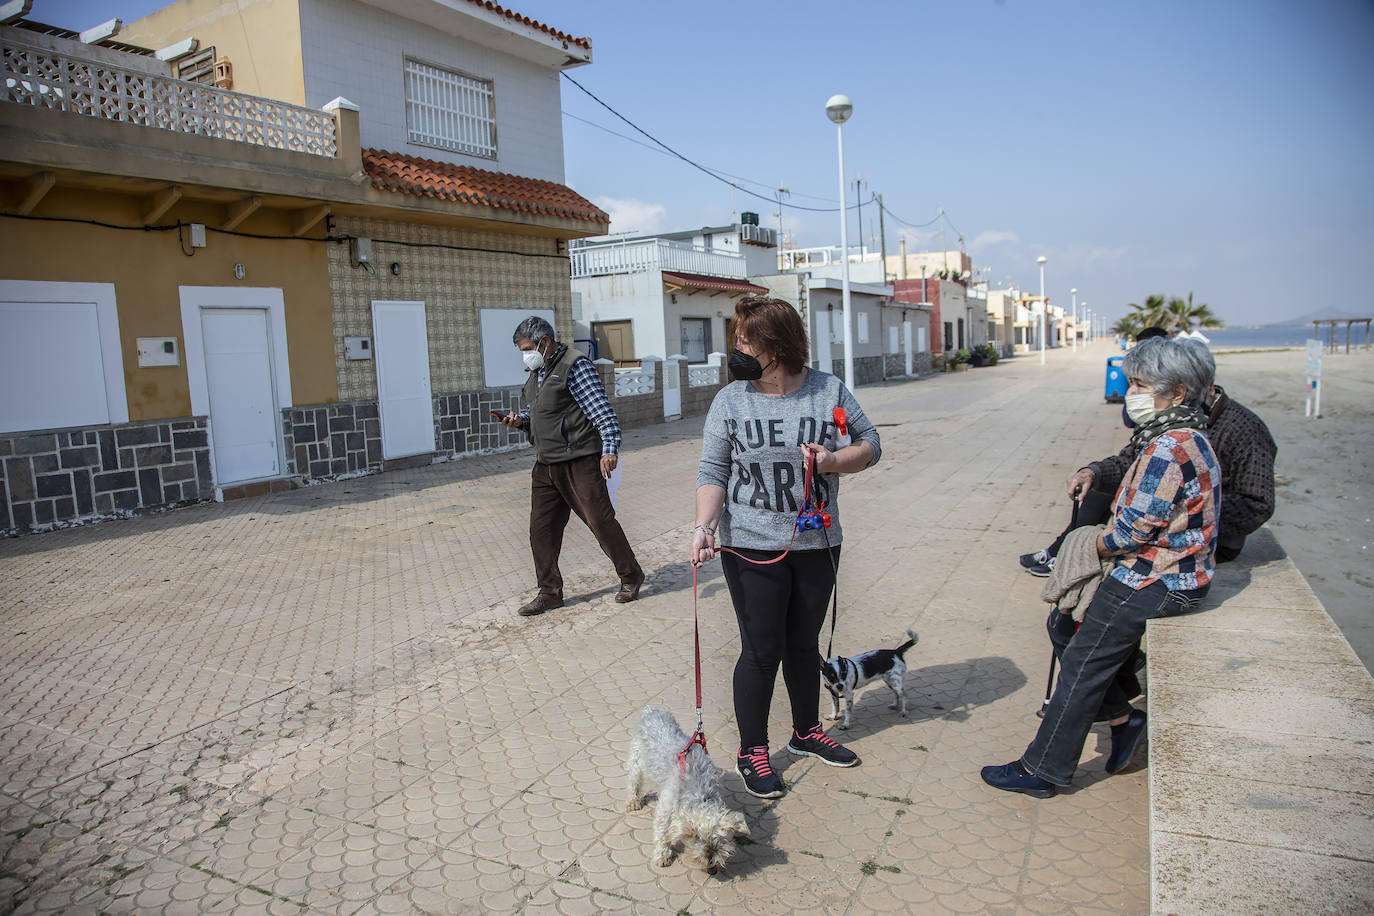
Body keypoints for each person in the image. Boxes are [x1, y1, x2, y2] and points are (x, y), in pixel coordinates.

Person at [982, 337, 1221, 797]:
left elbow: (1130, 536)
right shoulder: (1185, 435)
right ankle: (1123, 717)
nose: (1131, 391)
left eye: (1140, 384)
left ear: (1175, 393)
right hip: (1173, 571)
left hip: (1158, 576)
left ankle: (1043, 770)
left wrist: (1083, 543)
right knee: (1064, 625)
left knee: (1083, 662)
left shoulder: (1170, 447)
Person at [691, 296, 881, 799]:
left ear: (777, 344)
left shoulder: (827, 390)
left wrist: (833, 462)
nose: (736, 348)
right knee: (761, 649)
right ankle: (752, 750)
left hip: (817, 541)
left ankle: (805, 733)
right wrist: (704, 527)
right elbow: (713, 471)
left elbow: (871, 444)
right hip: (750, 544)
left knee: (804, 643)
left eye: (744, 339)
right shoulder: (731, 400)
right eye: (737, 339)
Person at [1020, 339, 1275, 573]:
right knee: (1101, 488)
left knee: (1120, 536)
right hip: (1159, 523)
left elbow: (1257, 504)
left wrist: (1182, 515)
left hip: (1203, 536)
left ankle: (1072, 556)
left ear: (1187, 389)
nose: (1131, 393)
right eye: (1132, 384)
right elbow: (1127, 461)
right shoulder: (1167, 422)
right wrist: (1093, 473)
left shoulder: (1242, 429)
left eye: (1141, 385)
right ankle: (1065, 551)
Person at [495, 316, 643, 617]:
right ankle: (549, 592)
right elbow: (538, 413)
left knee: (600, 522)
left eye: (527, 348)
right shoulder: (538, 372)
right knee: (541, 531)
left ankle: (631, 576)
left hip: (579, 462)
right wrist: (519, 421)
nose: (525, 355)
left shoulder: (575, 366)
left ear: (544, 342)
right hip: (546, 465)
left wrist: (609, 450)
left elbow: (603, 412)